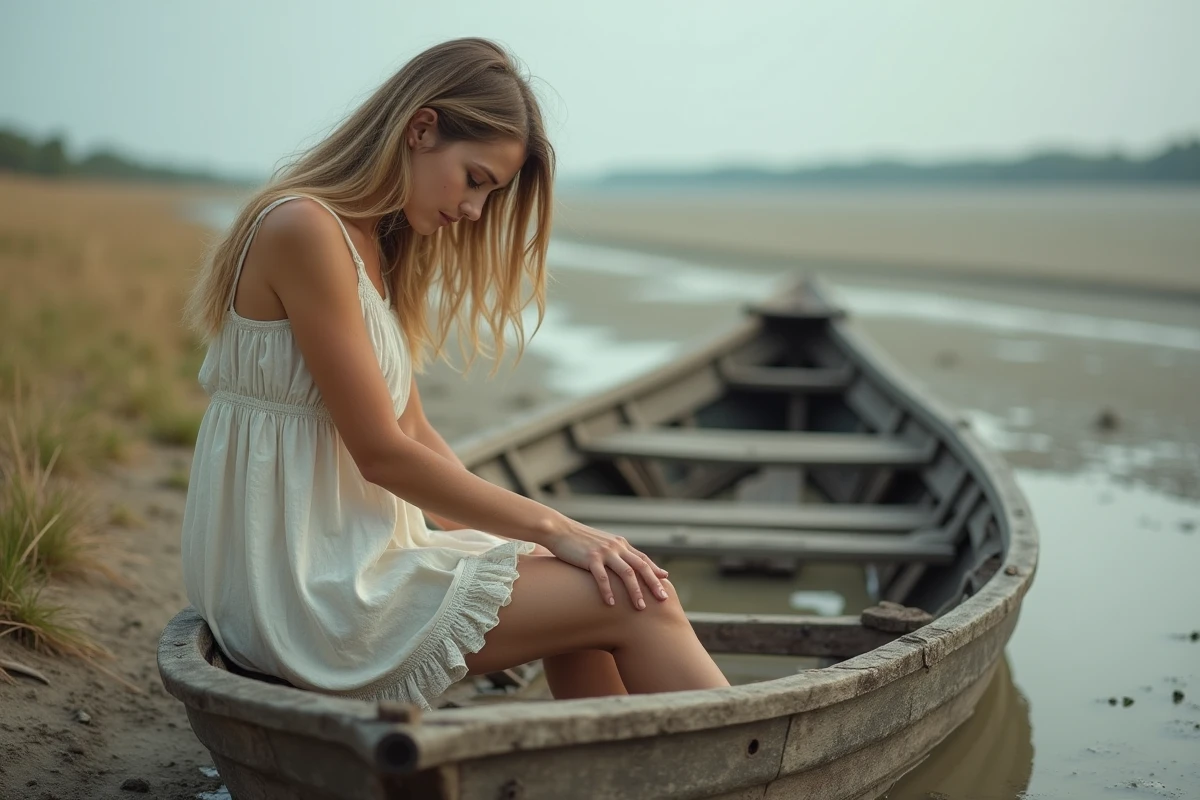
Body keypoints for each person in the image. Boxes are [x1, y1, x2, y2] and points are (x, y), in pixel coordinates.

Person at [180, 37, 729, 710]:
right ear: (420, 129)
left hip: (344, 558)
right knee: (637, 596)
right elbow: (383, 453)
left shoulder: (372, 244)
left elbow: (413, 429)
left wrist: (532, 546)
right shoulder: (306, 228)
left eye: (488, 194)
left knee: (596, 583)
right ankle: (742, 755)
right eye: (475, 179)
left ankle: (612, 760)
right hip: (306, 587)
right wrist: (554, 527)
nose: (474, 211)